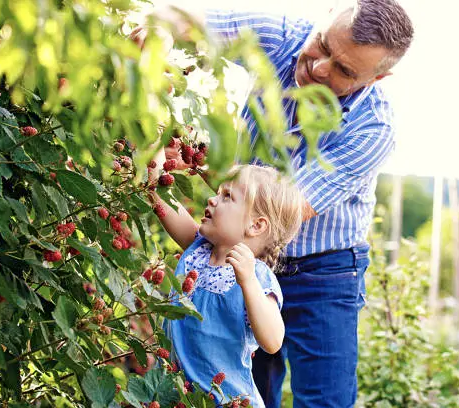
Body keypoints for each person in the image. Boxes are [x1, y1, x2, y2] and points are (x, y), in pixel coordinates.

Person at [139, 1, 414, 406]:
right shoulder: (280, 34)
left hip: (326, 268)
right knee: (244, 382)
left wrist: (207, 169)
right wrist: (148, 82)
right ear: (325, 18)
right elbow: (178, 20)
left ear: (379, 76)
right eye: (323, 45)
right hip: (242, 244)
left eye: (344, 71)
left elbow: (281, 209)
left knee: (324, 398)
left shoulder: (374, 128)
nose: (320, 68)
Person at [148, 157, 304, 406]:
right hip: (174, 395)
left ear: (256, 225)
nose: (212, 199)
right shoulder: (197, 249)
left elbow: (273, 341)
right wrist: (157, 155)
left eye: (227, 196)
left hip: (223, 400)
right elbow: (160, 199)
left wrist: (248, 282)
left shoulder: (257, 276)